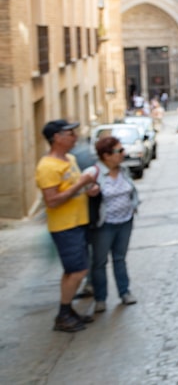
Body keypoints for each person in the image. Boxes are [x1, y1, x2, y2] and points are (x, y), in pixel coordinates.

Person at [36, 119, 100, 332]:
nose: (74, 137)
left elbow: (72, 188)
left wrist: (87, 190)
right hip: (64, 226)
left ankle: (68, 310)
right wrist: (81, 184)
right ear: (57, 138)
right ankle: (63, 313)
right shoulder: (47, 166)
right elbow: (52, 200)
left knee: (72, 270)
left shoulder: (70, 159)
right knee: (79, 271)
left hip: (78, 221)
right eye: (69, 133)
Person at [85, 136, 140, 313]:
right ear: (106, 155)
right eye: (119, 151)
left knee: (120, 258)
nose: (123, 154)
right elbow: (79, 194)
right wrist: (89, 193)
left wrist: (134, 206)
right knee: (99, 262)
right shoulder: (92, 173)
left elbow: (132, 191)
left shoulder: (124, 170)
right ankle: (100, 298)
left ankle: (124, 292)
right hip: (104, 225)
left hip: (125, 222)